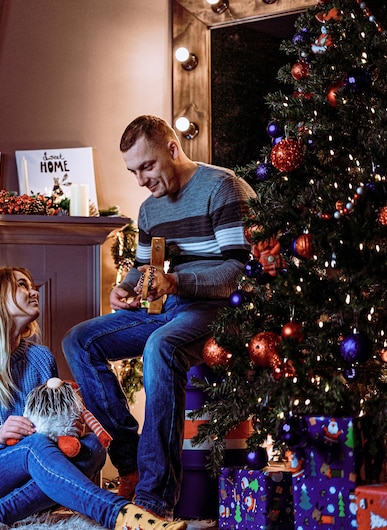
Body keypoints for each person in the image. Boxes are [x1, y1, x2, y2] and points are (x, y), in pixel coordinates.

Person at [63, 115, 256, 520]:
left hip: (220, 312)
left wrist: (175, 281)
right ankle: (130, 461)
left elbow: (240, 271)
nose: (141, 180)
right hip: (170, 308)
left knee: (160, 346)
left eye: (146, 167)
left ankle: (154, 502)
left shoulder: (222, 187)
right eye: (133, 171)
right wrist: (126, 286)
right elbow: (143, 267)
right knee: (79, 341)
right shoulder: (150, 209)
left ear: (172, 149)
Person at [0, 266, 188, 530]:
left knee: (93, 447)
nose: (34, 292)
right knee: (34, 445)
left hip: (34, 477)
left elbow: (53, 424)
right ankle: (121, 516)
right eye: (21, 285)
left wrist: (71, 429)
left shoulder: (41, 359)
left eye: (32, 285)